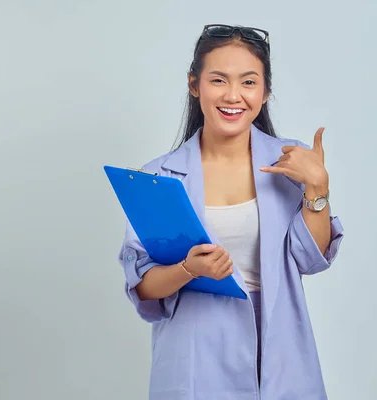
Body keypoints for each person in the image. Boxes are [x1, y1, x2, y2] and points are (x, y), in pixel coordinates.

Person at [118, 24, 344, 399]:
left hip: (278, 347)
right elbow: (142, 285)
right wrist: (190, 269)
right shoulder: (157, 177)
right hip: (196, 352)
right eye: (218, 80)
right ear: (195, 85)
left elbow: (310, 258)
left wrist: (318, 189)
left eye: (249, 82)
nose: (233, 95)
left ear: (266, 91)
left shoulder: (290, 162)